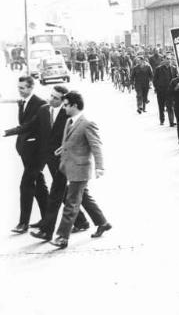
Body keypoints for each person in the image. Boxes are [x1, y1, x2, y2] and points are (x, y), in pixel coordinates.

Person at [50, 91, 111, 249]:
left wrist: (99, 167)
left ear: (74, 105)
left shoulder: (87, 123)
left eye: (66, 105)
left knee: (71, 202)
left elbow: (96, 146)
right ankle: (103, 222)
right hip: (69, 167)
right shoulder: (70, 121)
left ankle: (62, 237)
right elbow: (71, 141)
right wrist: (62, 149)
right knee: (83, 197)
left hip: (80, 169)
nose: (64, 108)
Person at [30, 86, 89, 241]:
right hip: (53, 159)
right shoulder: (45, 110)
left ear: (64, 101)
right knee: (71, 194)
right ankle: (86, 221)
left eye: (56, 98)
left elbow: (77, 139)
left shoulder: (70, 114)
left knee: (56, 195)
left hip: (64, 161)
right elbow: (33, 126)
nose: (51, 100)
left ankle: (47, 231)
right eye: (51, 96)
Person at [3, 76, 48, 234]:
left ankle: (23, 223)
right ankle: (47, 219)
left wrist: (6, 132)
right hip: (26, 151)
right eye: (18, 87)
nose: (19, 90)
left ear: (31, 88)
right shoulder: (23, 102)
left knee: (26, 185)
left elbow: (30, 125)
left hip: (37, 153)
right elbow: (24, 124)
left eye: (22, 88)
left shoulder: (40, 104)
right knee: (39, 187)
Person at [153, 54, 178, 126]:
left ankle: (171, 122)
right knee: (161, 107)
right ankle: (162, 120)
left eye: (170, 59)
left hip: (170, 91)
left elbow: (176, 79)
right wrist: (157, 88)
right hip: (161, 91)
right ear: (164, 59)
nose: (169, 60)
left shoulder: (174, 68)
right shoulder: (158, 69)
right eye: (167, 58)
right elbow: (155, 80)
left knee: (170, 107)